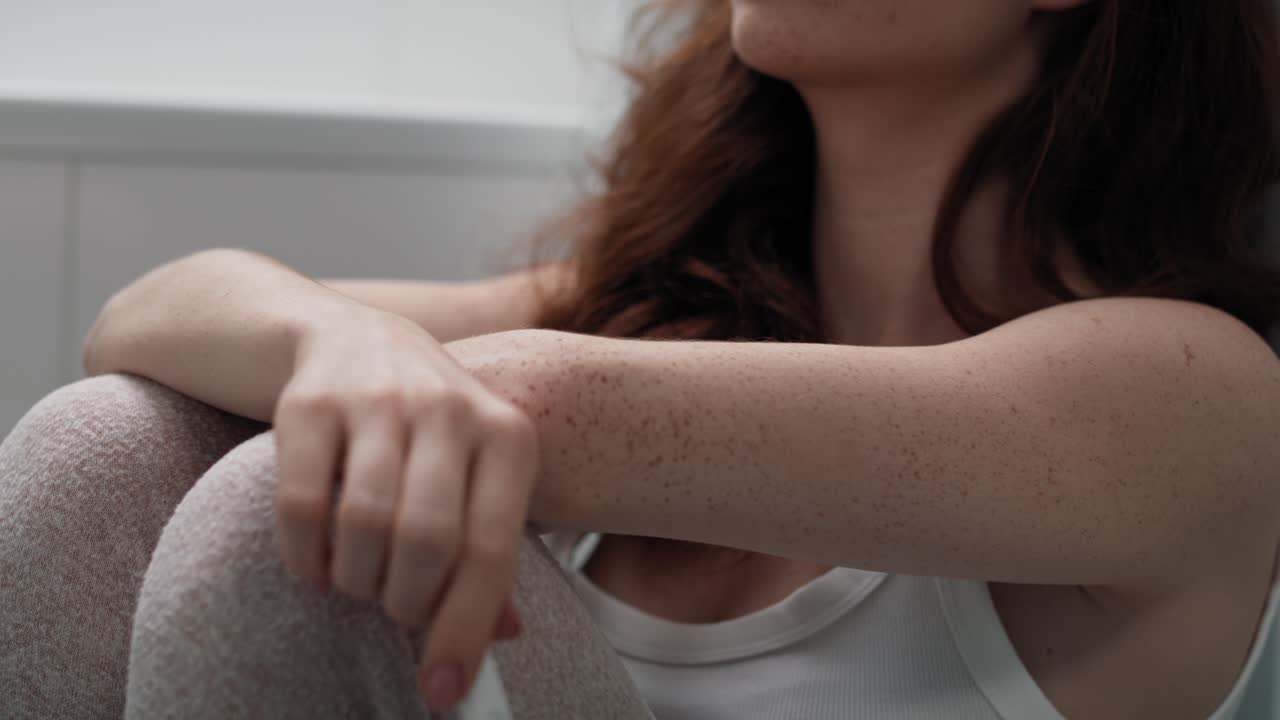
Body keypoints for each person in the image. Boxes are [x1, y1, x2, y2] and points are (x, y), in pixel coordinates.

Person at [3, 1, 1279, 718]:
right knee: (103, 442)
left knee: (300, 519)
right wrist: (340, 339)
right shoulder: (651, 310)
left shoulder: (1191, 395)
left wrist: (361, 363)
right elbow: (144, 313)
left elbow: (534, 397)